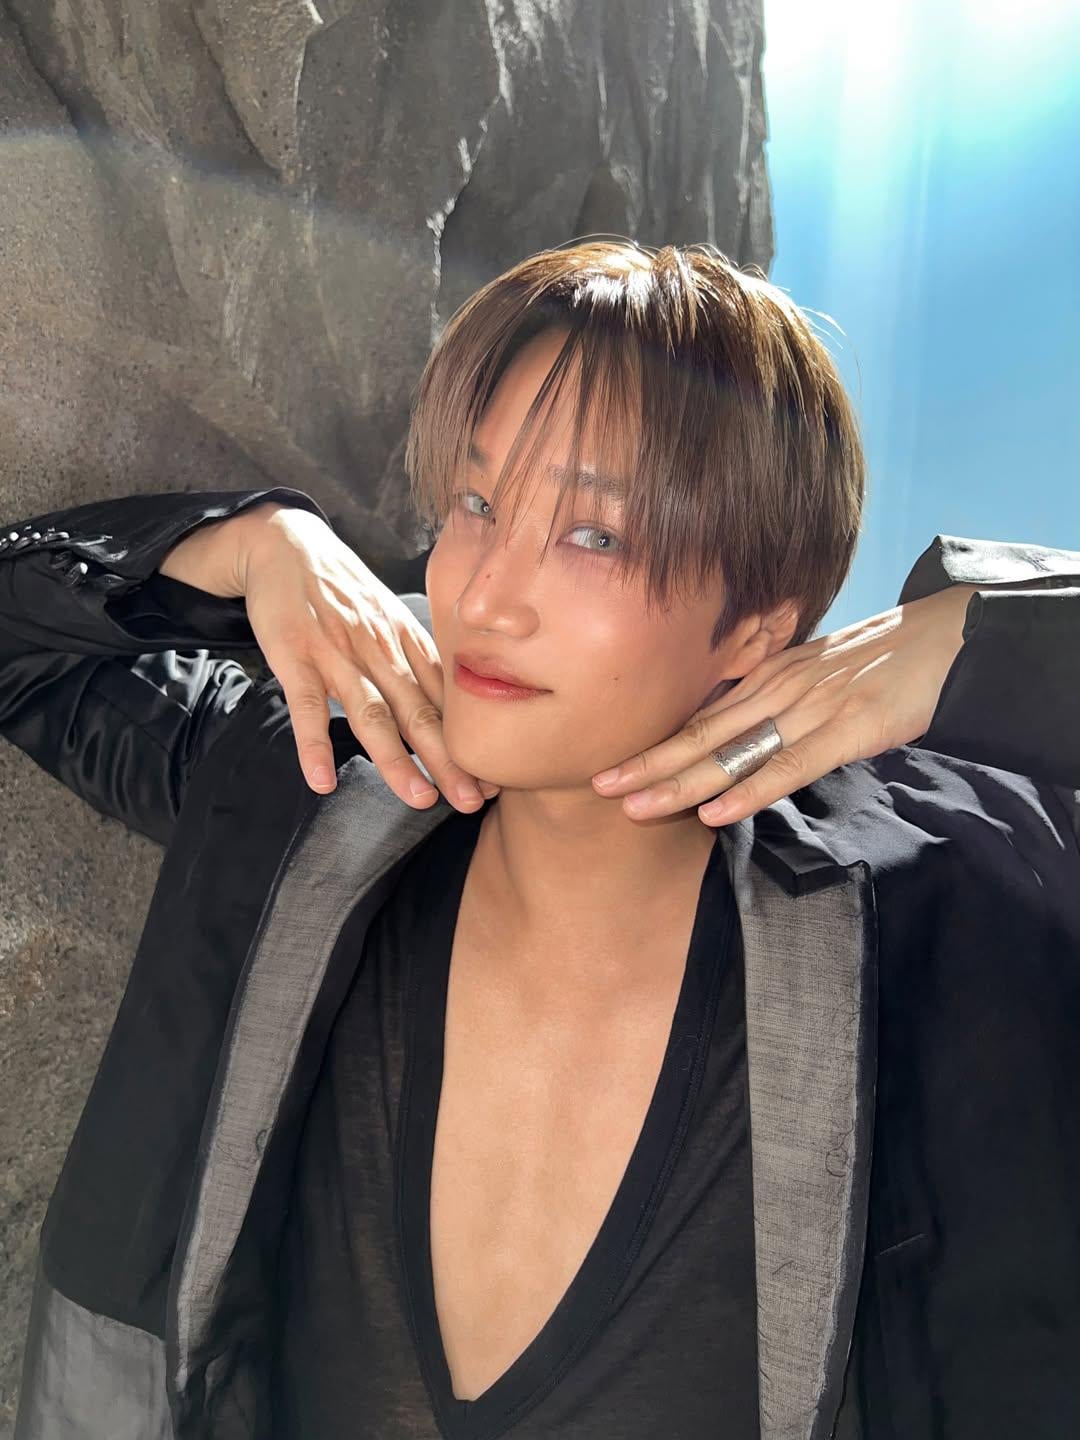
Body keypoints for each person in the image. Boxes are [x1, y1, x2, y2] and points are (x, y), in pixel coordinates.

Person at [2, 240, 1078, 1440]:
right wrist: (249, 541)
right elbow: (24, 646)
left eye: (593, 535)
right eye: (478, 504)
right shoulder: (300, 789)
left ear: (757, 627)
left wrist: (984, 641)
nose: (482, 595)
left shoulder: (950, 925)